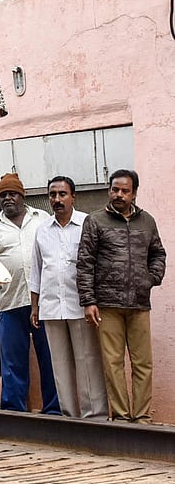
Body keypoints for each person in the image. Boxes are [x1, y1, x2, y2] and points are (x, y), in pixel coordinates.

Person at [77, 169, 167, 423]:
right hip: (107, 304)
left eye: (125, 191)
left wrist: (151, 278)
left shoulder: (147, 221)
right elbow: (85, 263)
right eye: (115, 189)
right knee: (113, 363)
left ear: (134, 193)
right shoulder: (95, 221)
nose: (119, 194)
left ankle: (141, 417)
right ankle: (120, 417)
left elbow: (158, 253)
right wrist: (89, 300)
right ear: (109, 190)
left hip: (139, 303)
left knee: (143, 363)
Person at [0, 173, 60, 414]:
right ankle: (14, 411)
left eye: (11, 193)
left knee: (50, 358)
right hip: (10, 303)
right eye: (2, 195)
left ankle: (54, 410)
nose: (7, 199)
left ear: (22, 196)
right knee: (12, 363)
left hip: (44, 303)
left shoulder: (42, 219)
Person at [29, 176, 107, 419]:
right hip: (51, 307)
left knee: (88, 362)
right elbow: (36, 270)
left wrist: (94, 301)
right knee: (59, 366)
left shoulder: (87, 224)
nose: (57, 199)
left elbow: (96, 266)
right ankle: (69, 417)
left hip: (80, 305)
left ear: (73, 197)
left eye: (62, 194)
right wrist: (34, 306)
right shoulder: (42, 231)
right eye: (53, 195)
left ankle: (94, 417)